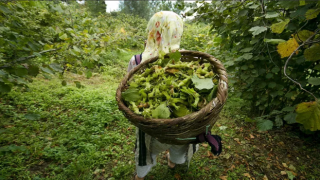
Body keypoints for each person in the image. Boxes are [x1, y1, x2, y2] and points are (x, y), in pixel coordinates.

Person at [127, 11, 222, 180]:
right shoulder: (185, 57)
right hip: (182, 127)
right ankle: (172, 161)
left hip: (151, 126)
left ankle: (140, 176)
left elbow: (128, 89)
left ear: (151, 30)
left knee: (147, 150)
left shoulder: (137, 60)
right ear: (178, 32)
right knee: (178, 147)